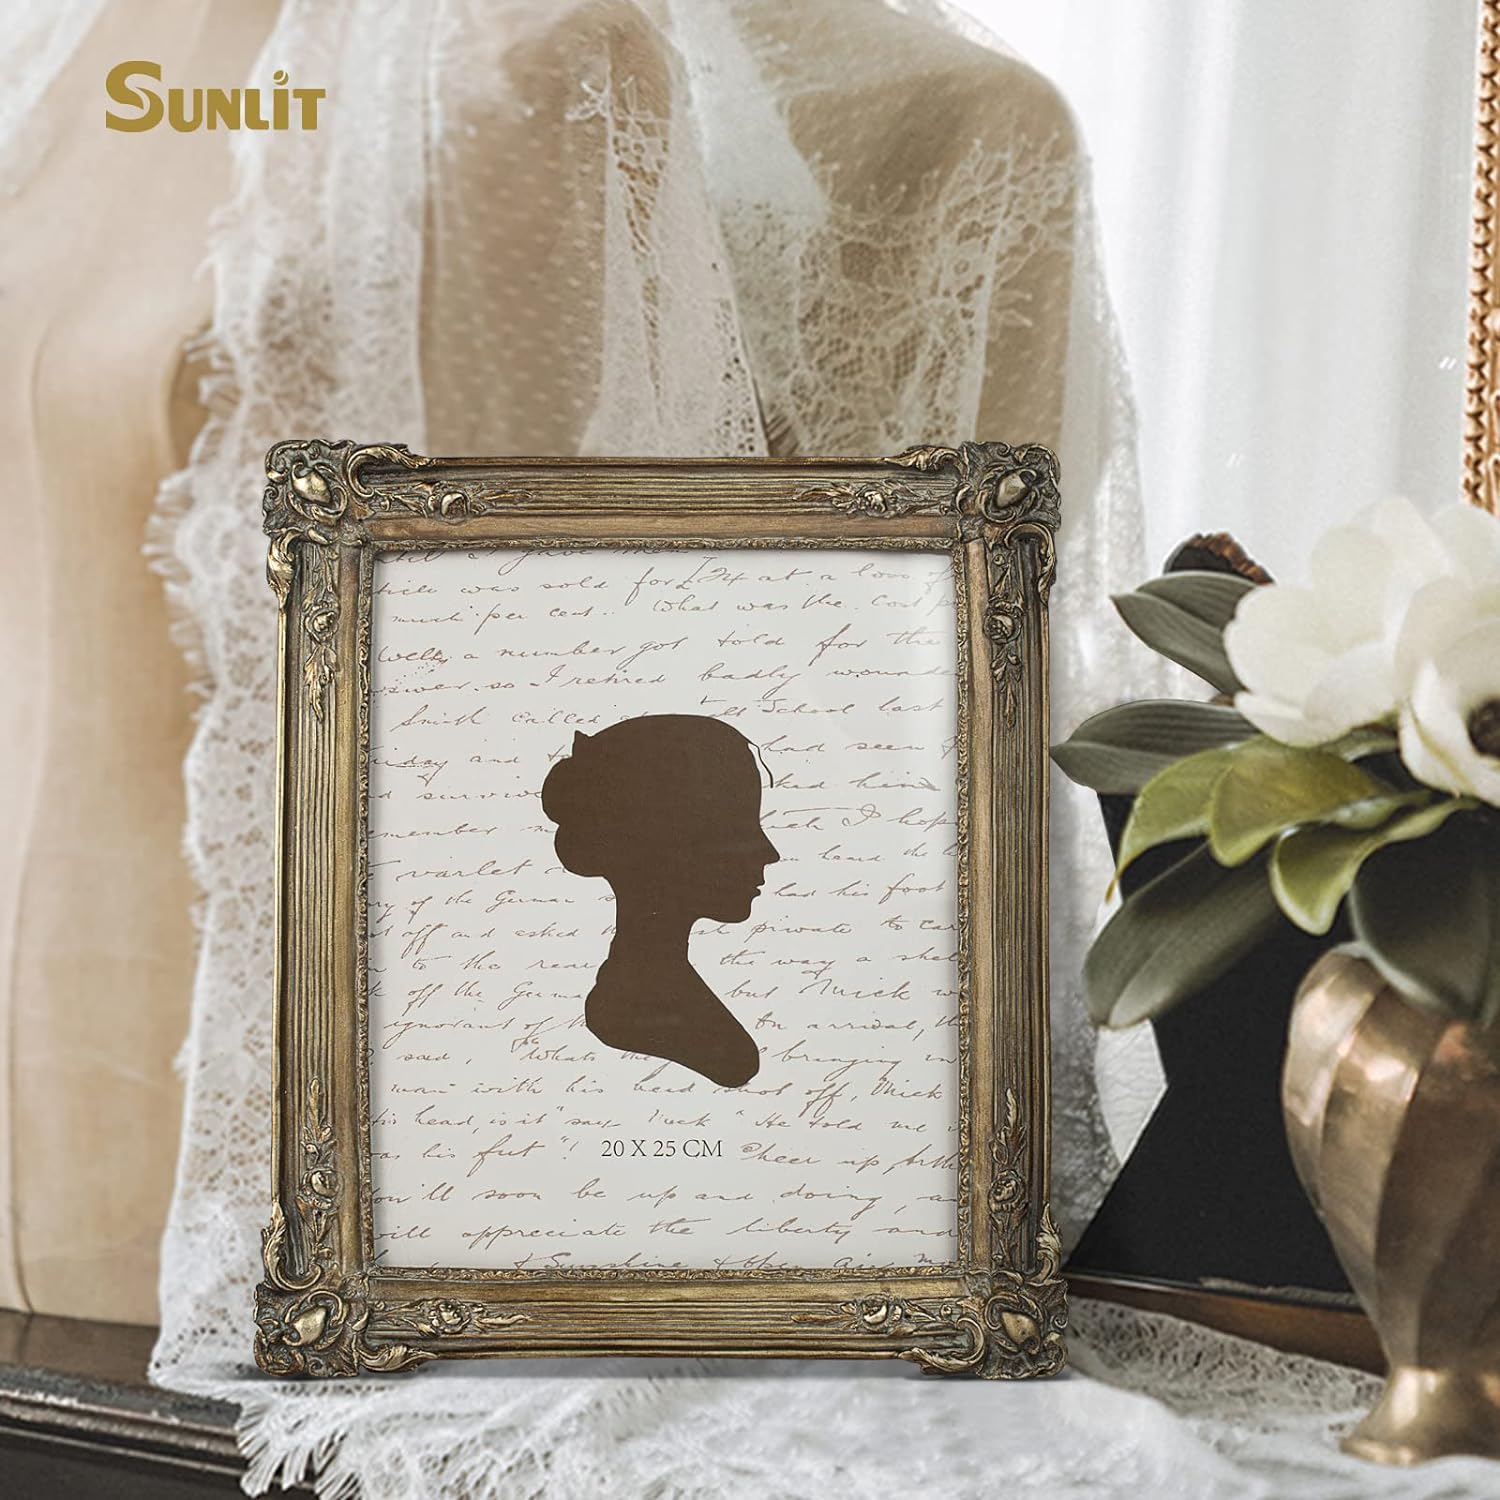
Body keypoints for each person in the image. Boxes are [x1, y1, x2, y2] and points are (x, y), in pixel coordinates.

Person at [541, 714, 780, 1087]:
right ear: (665, 844)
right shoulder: (630, 1004)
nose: (768, 852)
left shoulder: (652, 990)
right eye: (736, 828)